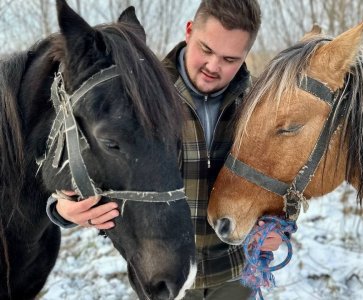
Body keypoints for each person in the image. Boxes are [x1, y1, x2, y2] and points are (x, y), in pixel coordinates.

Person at [46, 0, 282, 299]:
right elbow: (84, 158)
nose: (213, 66)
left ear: (246, 55)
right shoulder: (138, 94)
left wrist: (281, 223)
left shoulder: (259, 106)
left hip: (235, 274)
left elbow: (284, 178)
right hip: (162, 274)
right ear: (188, 31)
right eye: (206, 50)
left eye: (229, 59)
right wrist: (62, 210)